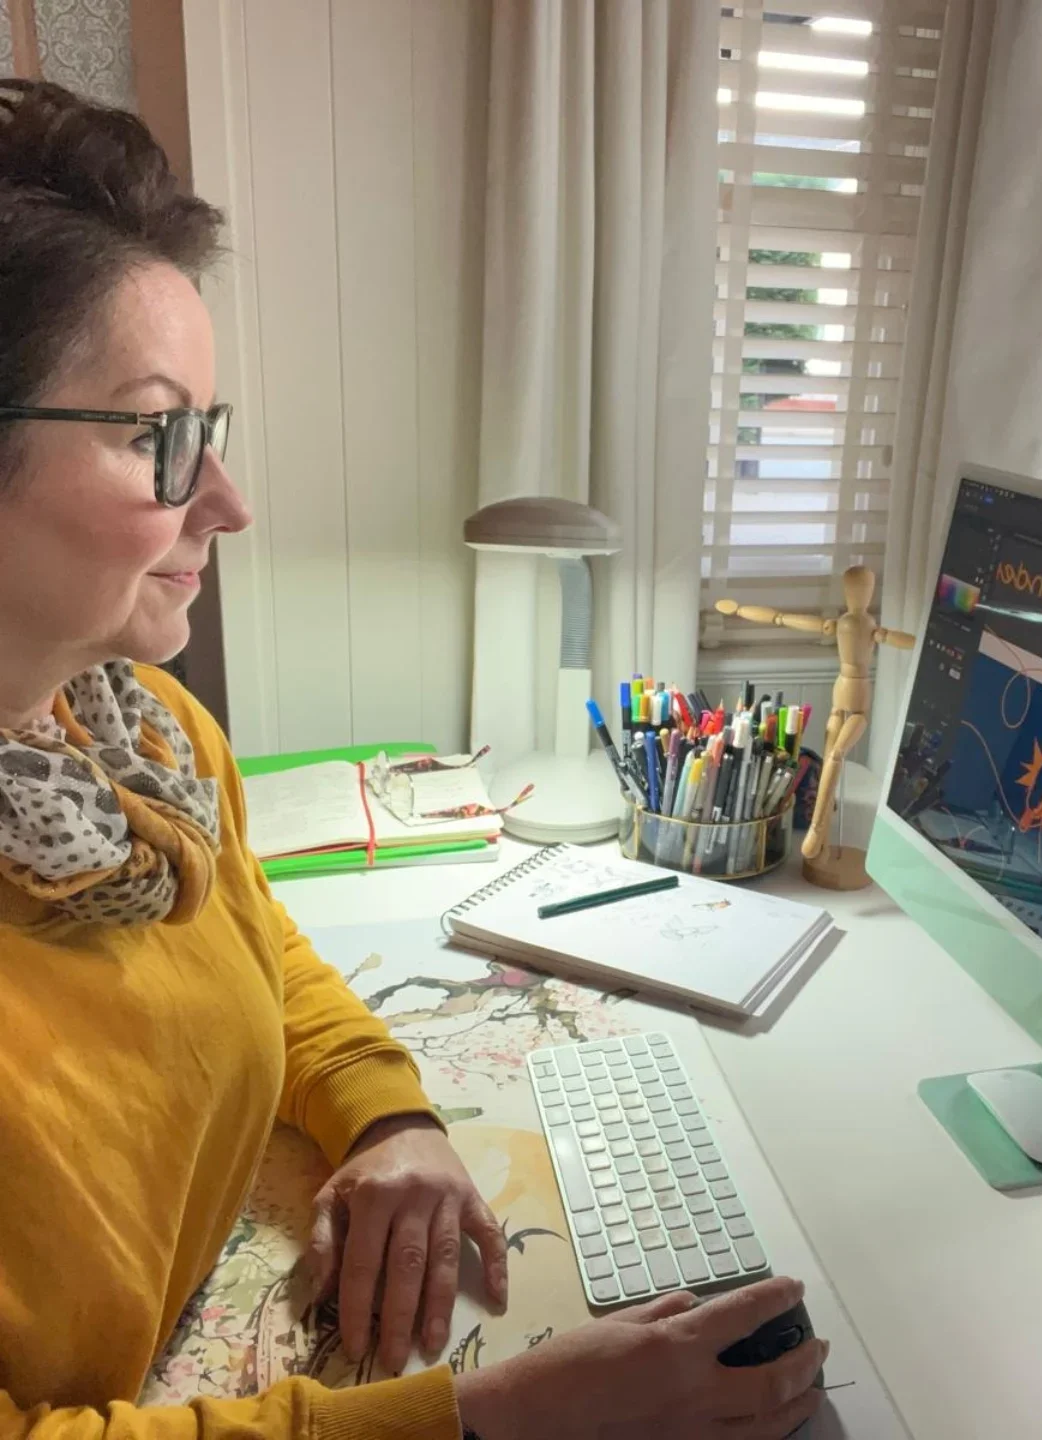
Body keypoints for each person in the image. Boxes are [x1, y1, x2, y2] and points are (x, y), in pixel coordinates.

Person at [0, 79, 826, 1440]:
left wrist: (388, 1120)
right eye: (163, 436)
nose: (230, 501)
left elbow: (260, 947)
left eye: (219, 431)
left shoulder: (138, 740)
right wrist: (486, 1425)